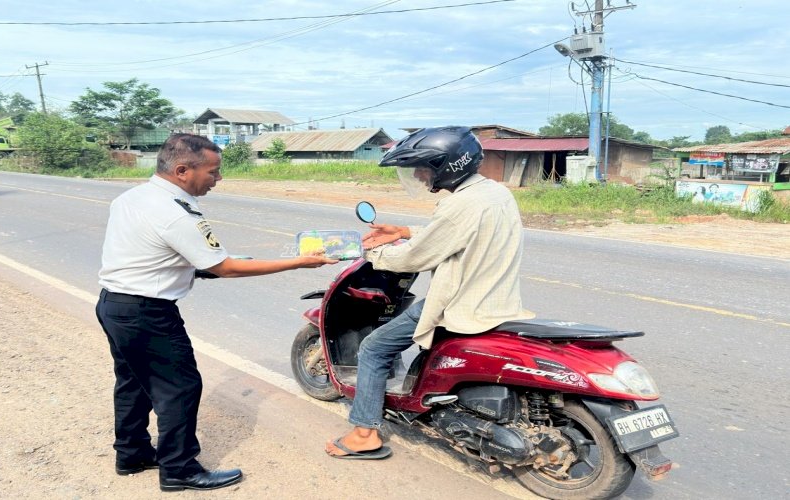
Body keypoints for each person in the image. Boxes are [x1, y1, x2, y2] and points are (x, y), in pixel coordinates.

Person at [96, 133, 337, 492]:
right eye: (212, 172)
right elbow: (225, 268)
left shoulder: (133, 197)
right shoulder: (175, 212)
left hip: (115, 304)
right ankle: (179, 470)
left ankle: (132, 454)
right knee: (179, 388)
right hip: (147, 312)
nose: (218, 179)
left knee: (134, 381)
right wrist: (299, 262)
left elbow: (155, 254)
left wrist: (212, 264)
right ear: (182, 170)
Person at [324, 126, 534, 459]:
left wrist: (368, 252)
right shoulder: (495, 193)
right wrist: (403, 230)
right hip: (497, 301)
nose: (420, 176)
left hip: (459, 304)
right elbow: (455, 234)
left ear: (446, 166)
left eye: (423, 168)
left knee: (373, 348)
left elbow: (413, 258)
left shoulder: (459, 205)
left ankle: (364, 434)